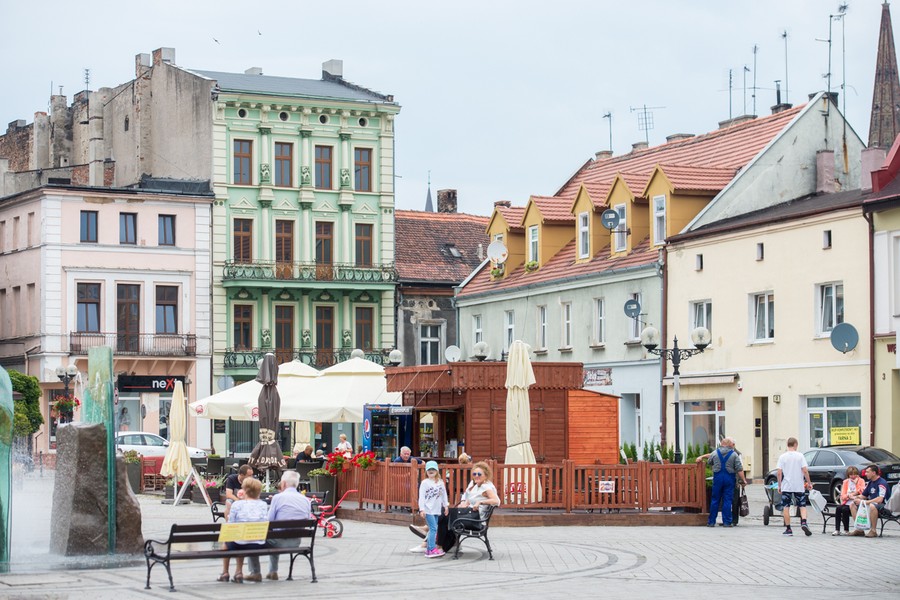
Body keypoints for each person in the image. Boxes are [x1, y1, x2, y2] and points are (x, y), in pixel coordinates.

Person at [265, 470, 313, 580]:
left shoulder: (278, 498)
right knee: (275, 535)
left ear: (284, 484)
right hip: (296, 541)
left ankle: (257, 572)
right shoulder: (306, 500)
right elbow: (307, 519)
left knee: (254, 540)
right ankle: (272, 571)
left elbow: (269, 521)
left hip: (278, 541)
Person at [696, 437, 748, 528]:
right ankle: (727, 522)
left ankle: (711, 522)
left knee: (715, 500)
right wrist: (743, 480)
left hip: (717, 478)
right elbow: (739, 469)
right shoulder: (734, 455)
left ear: (722, 444)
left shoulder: (715, 453)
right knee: (727, 500)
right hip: (729, 478)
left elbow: (709, 462)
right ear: (729, 444)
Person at [227, 477, 268, 583]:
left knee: (233, 538)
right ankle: (249, 572)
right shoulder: (263, 505)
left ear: (244, 490)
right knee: (245, 536)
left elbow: (230, 525)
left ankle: (230, 572)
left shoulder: (237, 504)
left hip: (240, 543)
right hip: (259, 542)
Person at [218, 464, 254, 582]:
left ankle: (225, 572)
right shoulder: (232, 479)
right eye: (249, 475)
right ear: (241, 475)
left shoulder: (250, 482)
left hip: (243, 516)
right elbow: (228, 494)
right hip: (235, 502)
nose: (251, 478)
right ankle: (239, 572)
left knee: (228, 542)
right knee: (229, 503)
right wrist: (239, 501)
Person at [776, 437, 814, 537]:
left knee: (786, 506)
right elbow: (805, 470)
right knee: (802, 505)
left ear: (787, 445)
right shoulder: (800, 456)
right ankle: (804, 522)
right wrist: (809, 483)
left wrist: (779, 485)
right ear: (795, 444)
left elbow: (779, 473)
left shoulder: (782, 457)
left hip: (786, 486)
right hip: (799, 486)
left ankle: (788, 529)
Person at [848, 464, 892, 538]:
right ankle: (859, 529)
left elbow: (880, 499)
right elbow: (864, 495)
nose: (865, 474)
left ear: (874, 473)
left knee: (872, 506)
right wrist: (855, 497)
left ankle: (873, 531)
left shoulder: (882, 483)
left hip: (885, 506)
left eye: (867, 472)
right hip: (872, 503)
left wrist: (864, 502)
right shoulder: (870, 483)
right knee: (852, 504)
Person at [418, 461, 449, 558]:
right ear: (426, 471)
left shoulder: (440, 482)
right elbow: (421, 497)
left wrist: (446, 505)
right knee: (433, 528)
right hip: (428, 509)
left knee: (435, 528)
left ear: (437, 471)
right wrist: (421, 509)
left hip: (437, 509)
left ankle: (431, 548)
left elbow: (444, 495)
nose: (431, 471)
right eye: (429, 470)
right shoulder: (425, 483)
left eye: (433, 469)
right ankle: (431, 549)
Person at [833, 465, 865, 536]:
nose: (853, 476)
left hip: (856, 503)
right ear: (848, 475)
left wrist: (856, 484)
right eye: (851, 475)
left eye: (855, 474)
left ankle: (846, 529)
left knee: (845, 510)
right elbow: (843, 495)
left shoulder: (861, 481)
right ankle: (837, 529)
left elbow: (862, 492)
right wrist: (848, 496)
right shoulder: (846, 482)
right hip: (847, 501)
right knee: (838, 508)